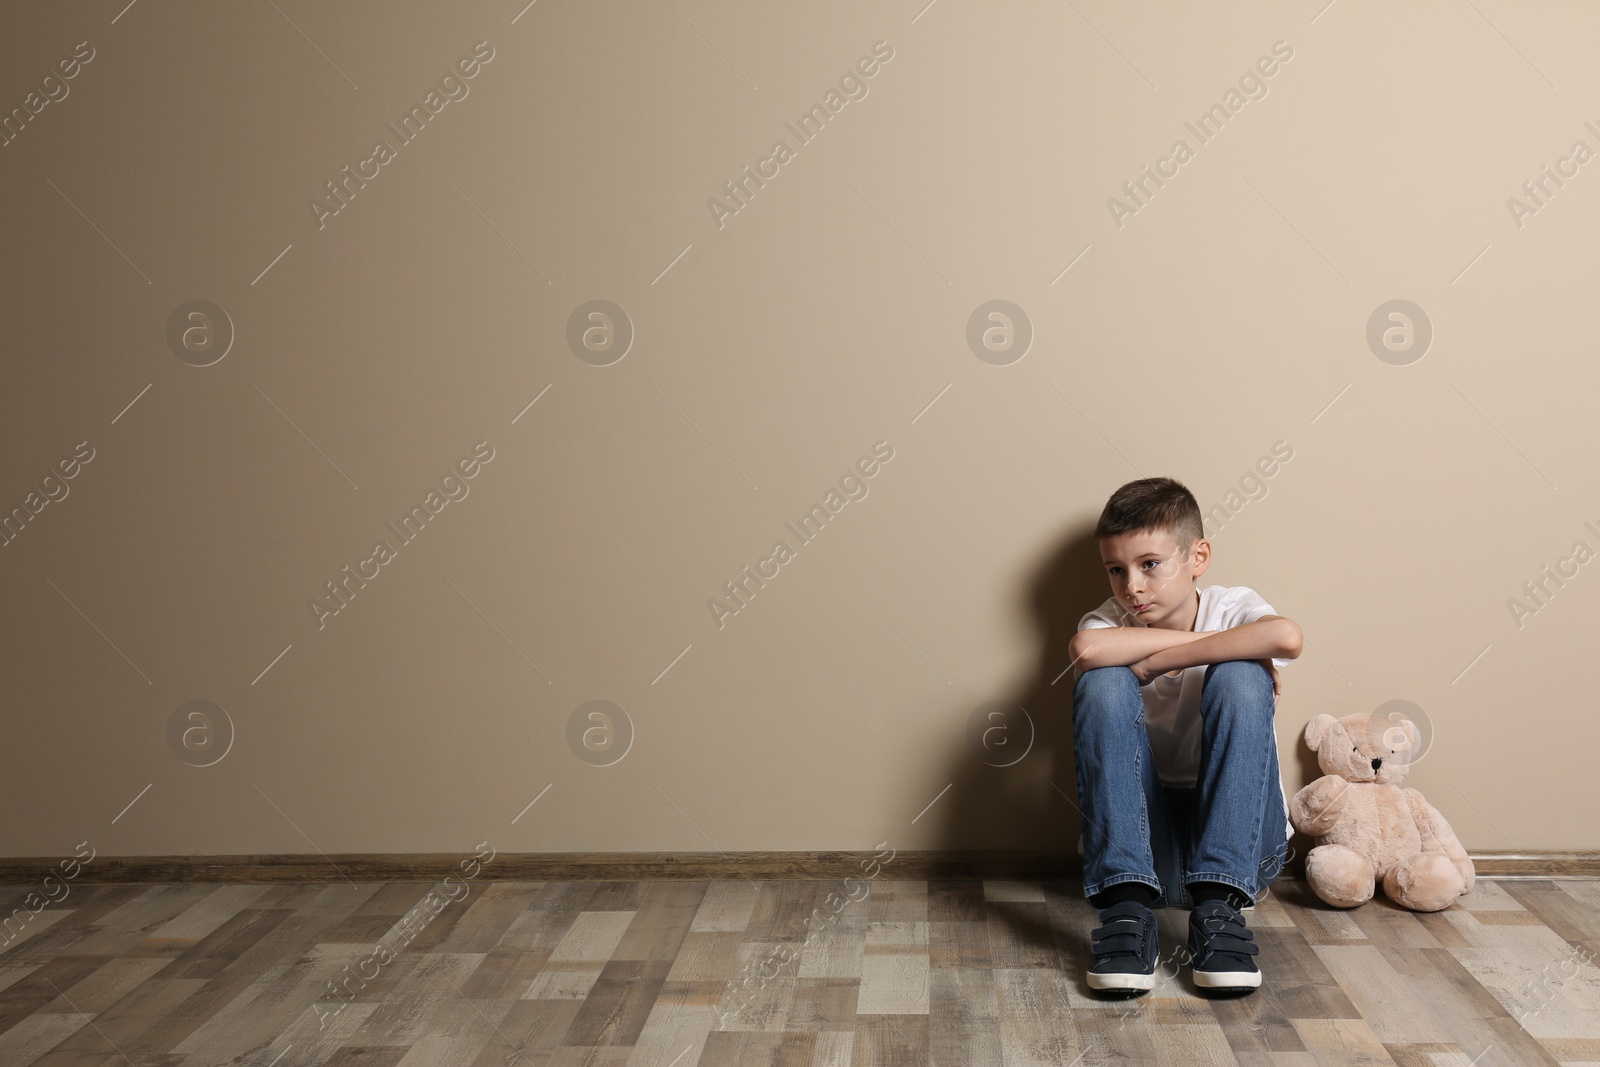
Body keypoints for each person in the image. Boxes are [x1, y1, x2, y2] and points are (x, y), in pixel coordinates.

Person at [1066, 477, 1302, 996]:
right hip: (1141, 855)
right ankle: (1126, 912)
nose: (1133, 586)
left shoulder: (1232, 604)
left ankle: (1218, 914)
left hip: (1239, 855)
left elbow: (1287, 636)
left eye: (1150, 564)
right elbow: (1085, 651)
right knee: (1103, 682)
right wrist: (1223, 645)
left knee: (1242, 675)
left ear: (1198, 556)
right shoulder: (1110, 622)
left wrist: (1160, 657)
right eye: (1116, 570)